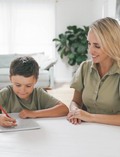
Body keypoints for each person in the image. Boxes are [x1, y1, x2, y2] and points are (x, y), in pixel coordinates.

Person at [67, 17, 120, 126]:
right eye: (89, 43)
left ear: (112, 45)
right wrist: (74, 111)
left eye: (97, 46)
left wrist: (90, 117)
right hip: (87, 130)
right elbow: (75, 102)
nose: (90, 50)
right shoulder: (85, 68)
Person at [0, 56, 69, 127]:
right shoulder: (7, 93)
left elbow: (64, 109)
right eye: (18, 85)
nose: (23, 90)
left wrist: (34, 113)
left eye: (28, 86)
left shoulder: (39, 94)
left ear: (35, 80)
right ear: (10, 79)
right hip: (12, 134)